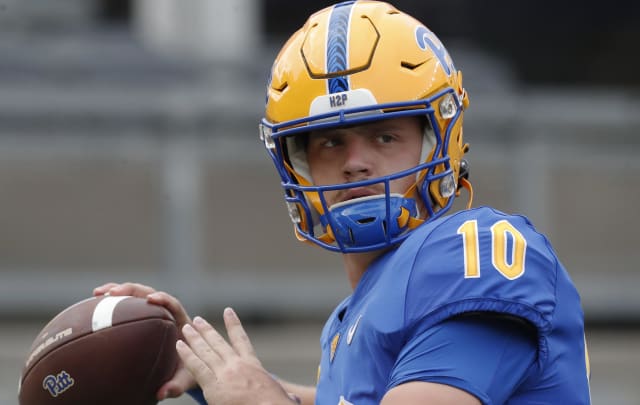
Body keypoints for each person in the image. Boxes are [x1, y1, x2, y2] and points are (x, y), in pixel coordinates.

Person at [94, 1, 591, 404]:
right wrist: (211, 371)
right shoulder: (355, 316)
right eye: (330, 143)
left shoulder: (473, 254)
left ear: (441, 139)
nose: (356, 163)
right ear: (297, 162)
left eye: (384, 136)